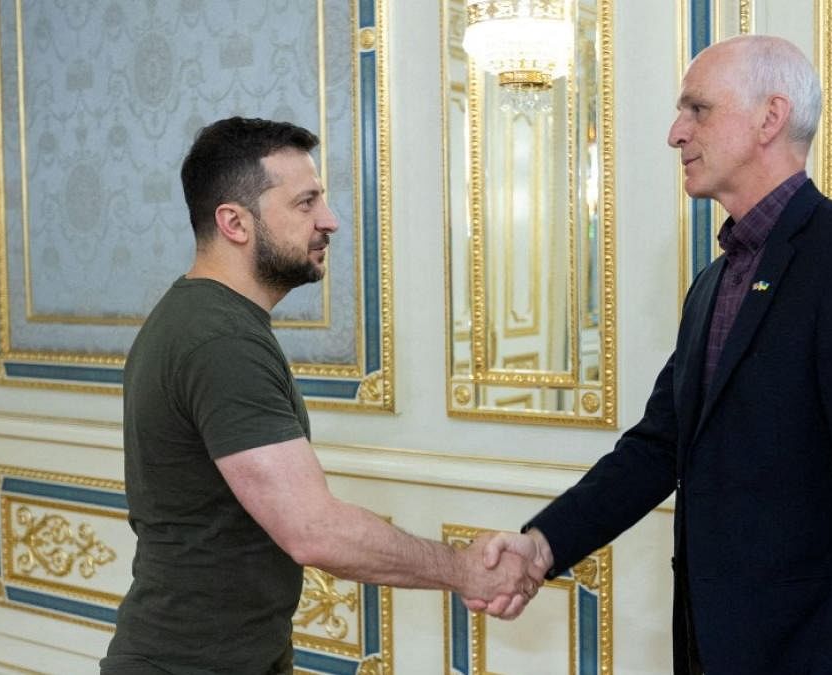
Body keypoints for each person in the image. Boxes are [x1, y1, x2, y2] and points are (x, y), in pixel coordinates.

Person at [478, 35, 832, 674]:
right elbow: (660, 446)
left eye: (698, 110)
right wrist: (543, 545)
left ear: (769, 119)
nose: (675, 133)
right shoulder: (716, 282)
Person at [101, 117, 543, 674]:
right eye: (306, 203)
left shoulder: (204, 320)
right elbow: (314, 530)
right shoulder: (219, 339)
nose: (328, 221)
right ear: (235, 222)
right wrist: (464, 569)